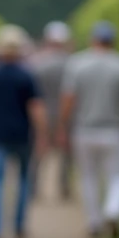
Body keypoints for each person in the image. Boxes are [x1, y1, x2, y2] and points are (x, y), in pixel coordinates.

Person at [59, 21, 119, 238]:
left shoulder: (77, 64)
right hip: (113, 130)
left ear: (93, 39)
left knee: (88, 178)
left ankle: (94, 223)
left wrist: (63, 128)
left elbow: (68, 100)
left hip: (84, 130)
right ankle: (112, 211)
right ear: (113, 41)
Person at [0, 25, 48, 238]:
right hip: (22, 135)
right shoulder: (26, 76)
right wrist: (43, 135)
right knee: (23, 181)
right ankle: (18, 226)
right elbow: (35, 109)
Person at [28, 20, 74, 200]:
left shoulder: (37, 63)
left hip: (42, 112)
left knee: (39, 151)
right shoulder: (72, 63)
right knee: (66, 153)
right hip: (66, 113)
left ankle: (34, 188)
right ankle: (64, 187)